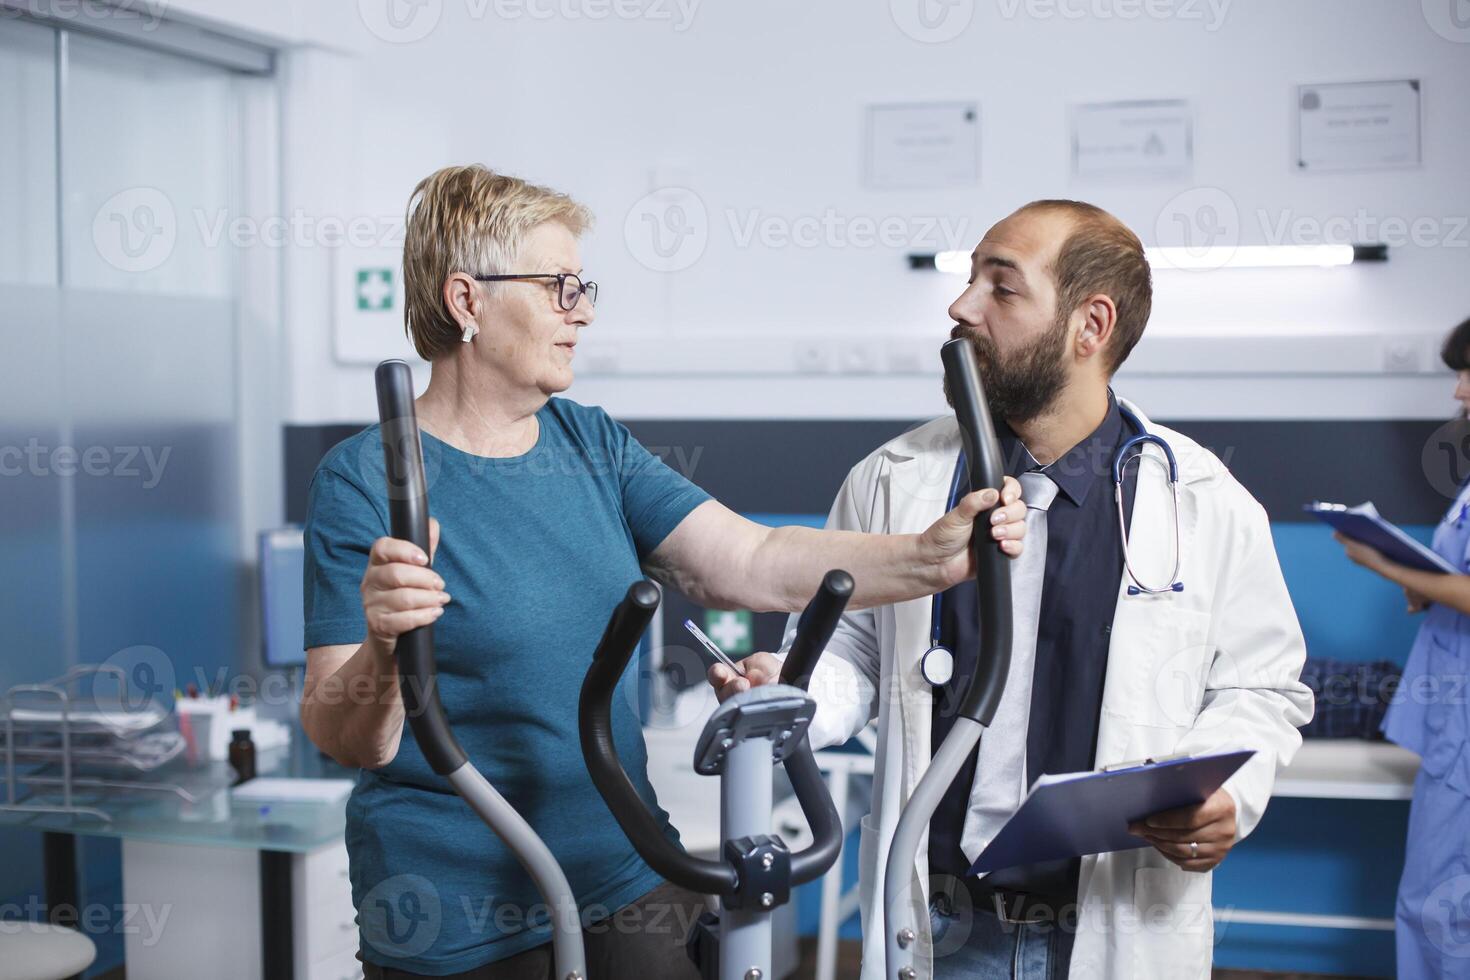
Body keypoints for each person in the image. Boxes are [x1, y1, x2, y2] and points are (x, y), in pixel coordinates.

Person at [297, 164, 1030, 979]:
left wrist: (927, 557)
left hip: (626, 871)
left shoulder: (589, 443)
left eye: (584, 286)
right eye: (557, 287)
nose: (582, 311)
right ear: (466, 301)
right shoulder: (364, 479)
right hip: (456, 910)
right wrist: (385, 646)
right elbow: (345, 734)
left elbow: (750, 559)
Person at [711, 200, 1315, 979]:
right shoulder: (893, 481)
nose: (960, 308)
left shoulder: (1203, 500)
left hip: (1109, 919)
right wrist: (794, 692)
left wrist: (1225, 795)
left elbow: (1262, 686)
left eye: (1001, 288)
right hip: (938, 921)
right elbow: (849, 655)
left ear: (1089, 327)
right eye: (968, 282)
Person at [1334, 316, 1470, 979]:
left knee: (1439, 907)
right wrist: (1423, 586)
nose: (1459, 394)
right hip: (1454, 722)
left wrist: (1383, 564)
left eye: (1469, 374)